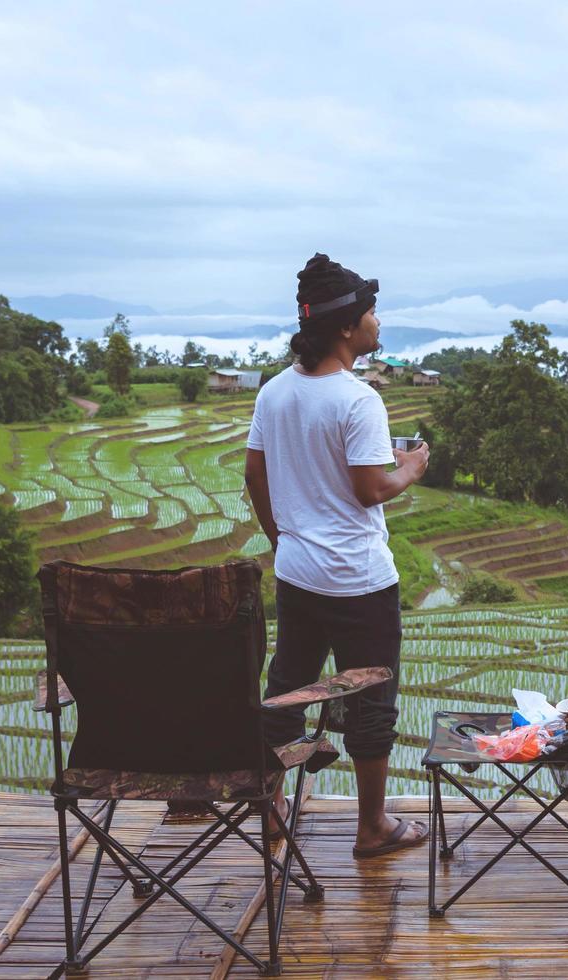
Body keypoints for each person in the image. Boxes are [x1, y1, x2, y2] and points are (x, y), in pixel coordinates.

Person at [244, 252, 431, 858]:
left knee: (286, 690)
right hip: (358, 579)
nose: (379, 322)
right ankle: (372, 827)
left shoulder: (275, 392)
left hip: (299, 574)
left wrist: (284, 541)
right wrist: (411, 469)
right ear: (348, 328)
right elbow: (368, 489)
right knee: (371, 699)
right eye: (372, 313)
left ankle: (272, 812)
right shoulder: (358, 401)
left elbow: (255, 472)